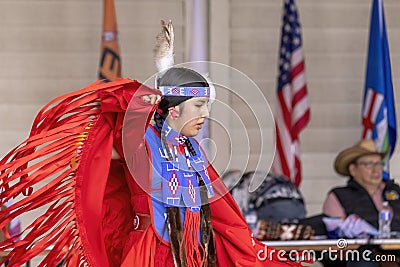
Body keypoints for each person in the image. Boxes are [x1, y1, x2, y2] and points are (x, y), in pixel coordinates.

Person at [0, 22, 300, 267]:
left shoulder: (192, 152)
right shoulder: (142, 143)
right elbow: (123, 103)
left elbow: (225, 215)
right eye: (198, 105)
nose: (206, 115)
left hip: (194, 256)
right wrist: (163, 70)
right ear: (173, 109)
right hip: (152, 254)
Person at [322, 139, 400, 267]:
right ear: (353, 170)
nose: (376, 170)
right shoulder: (339, 196)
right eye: (369, 164)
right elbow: (336, 241)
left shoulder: (395, 191)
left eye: (379, 164)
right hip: (362, 256)